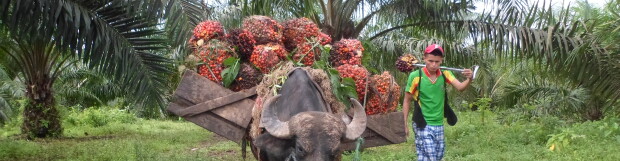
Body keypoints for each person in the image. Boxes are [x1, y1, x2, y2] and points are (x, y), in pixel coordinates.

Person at [402, 44, 473, 161]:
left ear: (441, 61)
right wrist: (404, 124)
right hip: (422, 123)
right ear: (424, 59)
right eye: (430, 61)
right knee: (432, 157)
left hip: (438, 123)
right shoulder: (415, 76)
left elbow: (460, 87)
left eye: (437, 61)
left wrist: (470, 78)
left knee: (436, 156)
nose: (434, 65)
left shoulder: (445, 74)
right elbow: (407, 100)